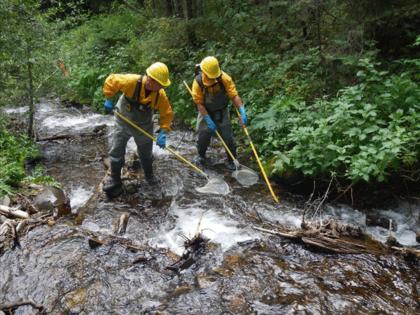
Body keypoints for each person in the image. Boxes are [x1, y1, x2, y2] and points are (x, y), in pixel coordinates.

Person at [102, 62, 173, 197]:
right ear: (151, 80)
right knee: (117, 149)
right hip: (123, 119)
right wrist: (109, 98)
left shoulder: (160, 95)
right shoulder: (131, 81)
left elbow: (167, 113)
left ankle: (149, 176)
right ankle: (115, 178)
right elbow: (111, 80)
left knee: (146, 153)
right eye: (160, 84)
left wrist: (163, 132)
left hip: (144, 125)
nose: (161, 87)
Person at [191, 56, 247, 170]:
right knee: (203, 135)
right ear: (204, 72)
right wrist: (207, 119)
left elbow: (234, 95)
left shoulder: (224, 78)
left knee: (228, 137)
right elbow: (199, 103)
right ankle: (201, 155)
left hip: (222, 110)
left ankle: (231, 160)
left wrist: (242, 110)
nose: (213, 79)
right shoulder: (198, 82)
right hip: (205, 111)